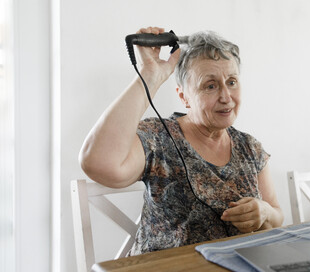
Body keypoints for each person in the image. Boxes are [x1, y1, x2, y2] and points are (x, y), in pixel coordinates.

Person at [79, 27, 283, 255]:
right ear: (184, 96)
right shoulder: (158, 137)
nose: (226, 97)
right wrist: (150, 75)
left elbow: (277, 216)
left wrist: (264, 212)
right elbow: (98, 162)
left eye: (232, 82)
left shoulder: (250, 148)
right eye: (210, 85)